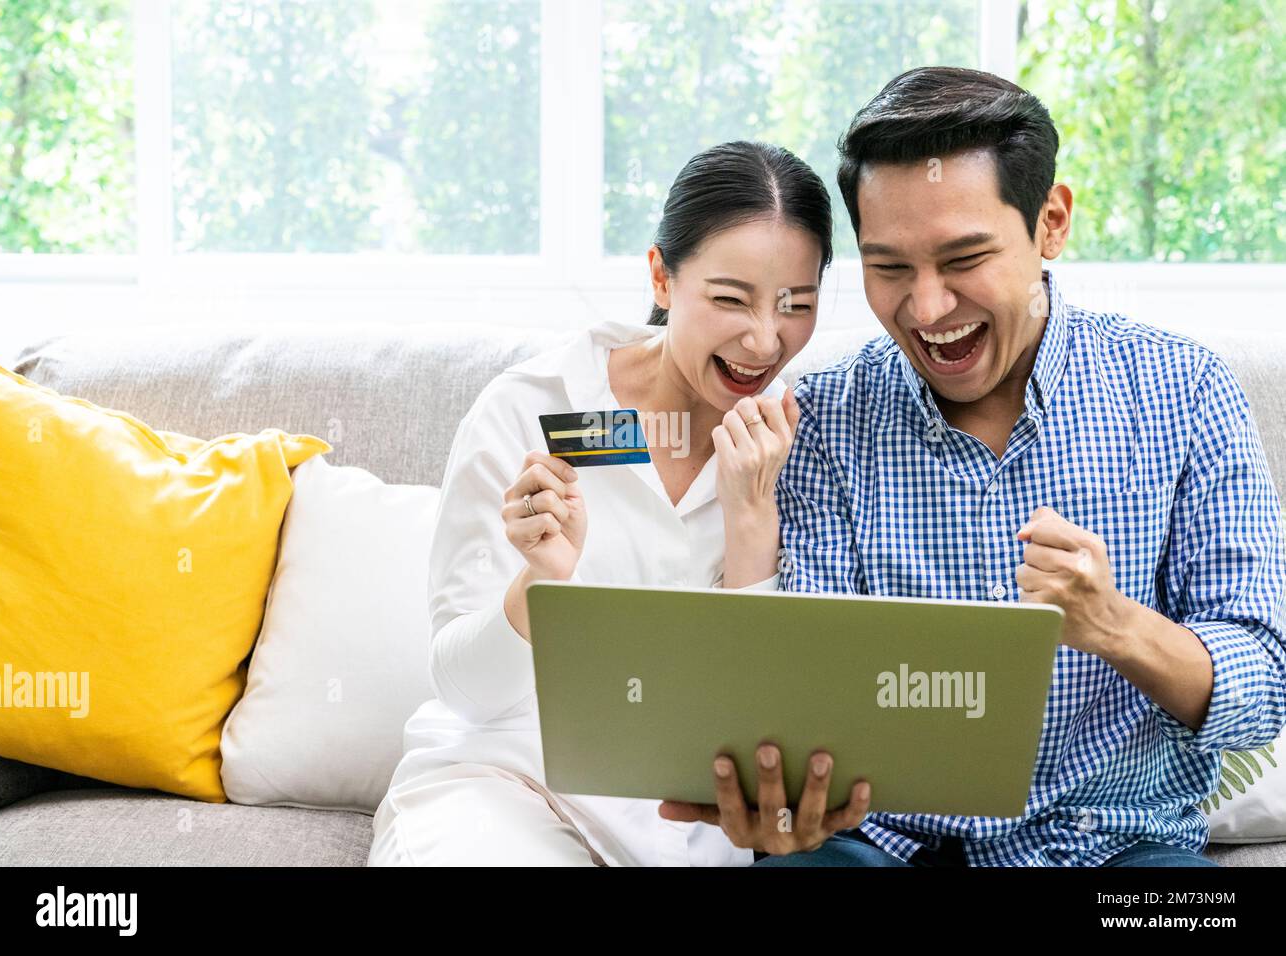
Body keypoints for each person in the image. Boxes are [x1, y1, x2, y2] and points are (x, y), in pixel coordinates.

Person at [663, 67, 1286, 866]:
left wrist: (1118, 627)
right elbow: (800, 701)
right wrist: (778, 808)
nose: (926, 310)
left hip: (1118, 854)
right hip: (878, 849)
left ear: (1050, 221)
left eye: (964, 258)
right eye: (889, 267)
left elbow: (1264, 692)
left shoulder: (1185, 392)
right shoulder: (821, 421)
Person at [368, 140, 868, 866]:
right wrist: (540, 582)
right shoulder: (531, 408)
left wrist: (750, 514)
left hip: (683, 838)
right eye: (730, 299)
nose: (765, 339)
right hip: (502, 790)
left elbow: (766, 724)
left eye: (795, 305)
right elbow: (463, 690)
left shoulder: (804, 444)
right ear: (662, 277)